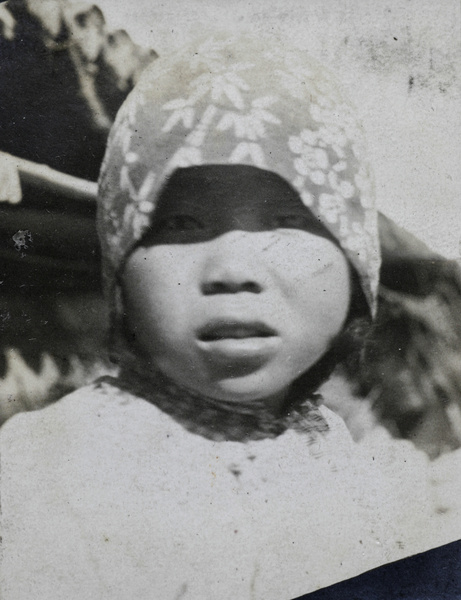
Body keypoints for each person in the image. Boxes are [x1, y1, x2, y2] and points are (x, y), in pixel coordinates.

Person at [0, 33, 459, 600]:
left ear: (353, 269)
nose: (233, 268)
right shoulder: (53, 470)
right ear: (119, 271)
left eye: (286, 221)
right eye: (182, 224)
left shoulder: (360, 471)